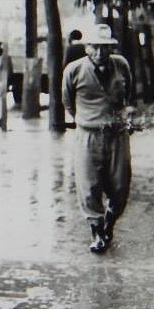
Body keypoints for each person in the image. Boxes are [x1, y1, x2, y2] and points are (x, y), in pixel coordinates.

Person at [61, 23, 133, 254]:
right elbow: (67, 101)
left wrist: (120, 117)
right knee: (89, 185)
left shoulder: (121, 65)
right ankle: (96, 232)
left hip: (117, 135)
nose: (100, 53)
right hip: (88, 135)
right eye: (94, 47)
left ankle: (109, 222)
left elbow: (127, 93)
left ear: (110, 48)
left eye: (104, 48)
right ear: (86, 48)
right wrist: (84, 120)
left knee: (120, 186)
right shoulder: (74, 70)